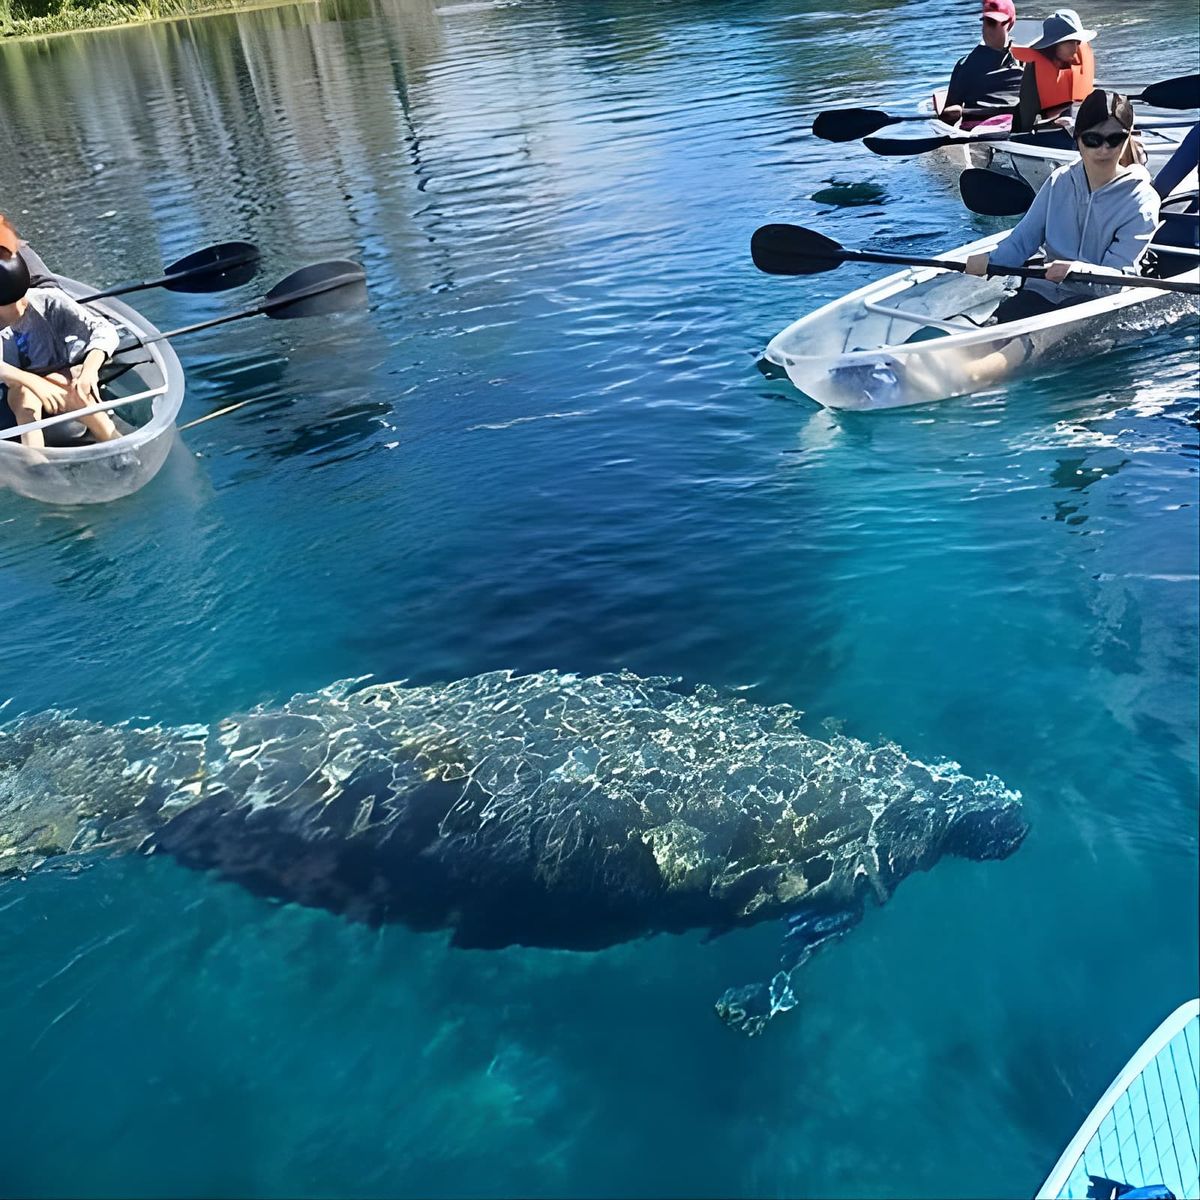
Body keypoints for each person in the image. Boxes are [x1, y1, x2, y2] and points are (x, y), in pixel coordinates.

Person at [964, 89, 1159, 326]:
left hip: (1095, 303)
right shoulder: (1060, 181)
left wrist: (1077, 270)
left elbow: (1115, 282)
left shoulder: (1141, 199)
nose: (1104, 149)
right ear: (1077, 138)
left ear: (1127, 137)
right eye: (1093, 140)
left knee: (1010, 352)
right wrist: (990, 260)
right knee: (989, 330)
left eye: (1114, 139)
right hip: (1045, 289)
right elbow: (1022, 241)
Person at [0, 216, 122, 451]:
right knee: (24, 397)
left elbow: (104, 330)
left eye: (18, 301)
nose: (15, 310)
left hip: (60, 371)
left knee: (70, 387)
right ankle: (36, 461)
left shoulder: (48, 302)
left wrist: (90, 369)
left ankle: (116, 443)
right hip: (17, 386)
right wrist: (32, 381)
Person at [940, 0, 1024, 128]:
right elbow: (946, 121)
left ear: (1010, 24)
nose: (987, 29)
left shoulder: (1025, 63)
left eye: (993, 23)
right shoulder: (965, 66)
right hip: (976, 133)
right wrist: (951, 113)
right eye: (985, 21)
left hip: (1014, 130)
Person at [1011, 9, 1096, 133]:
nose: (1076, 48)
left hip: (1066, 123)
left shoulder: (1070, 63)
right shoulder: (1031, 71)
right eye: (1070, 42)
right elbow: (1026, 121)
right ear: (1053, 44)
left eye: (1077, 42)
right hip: (1035, 130)